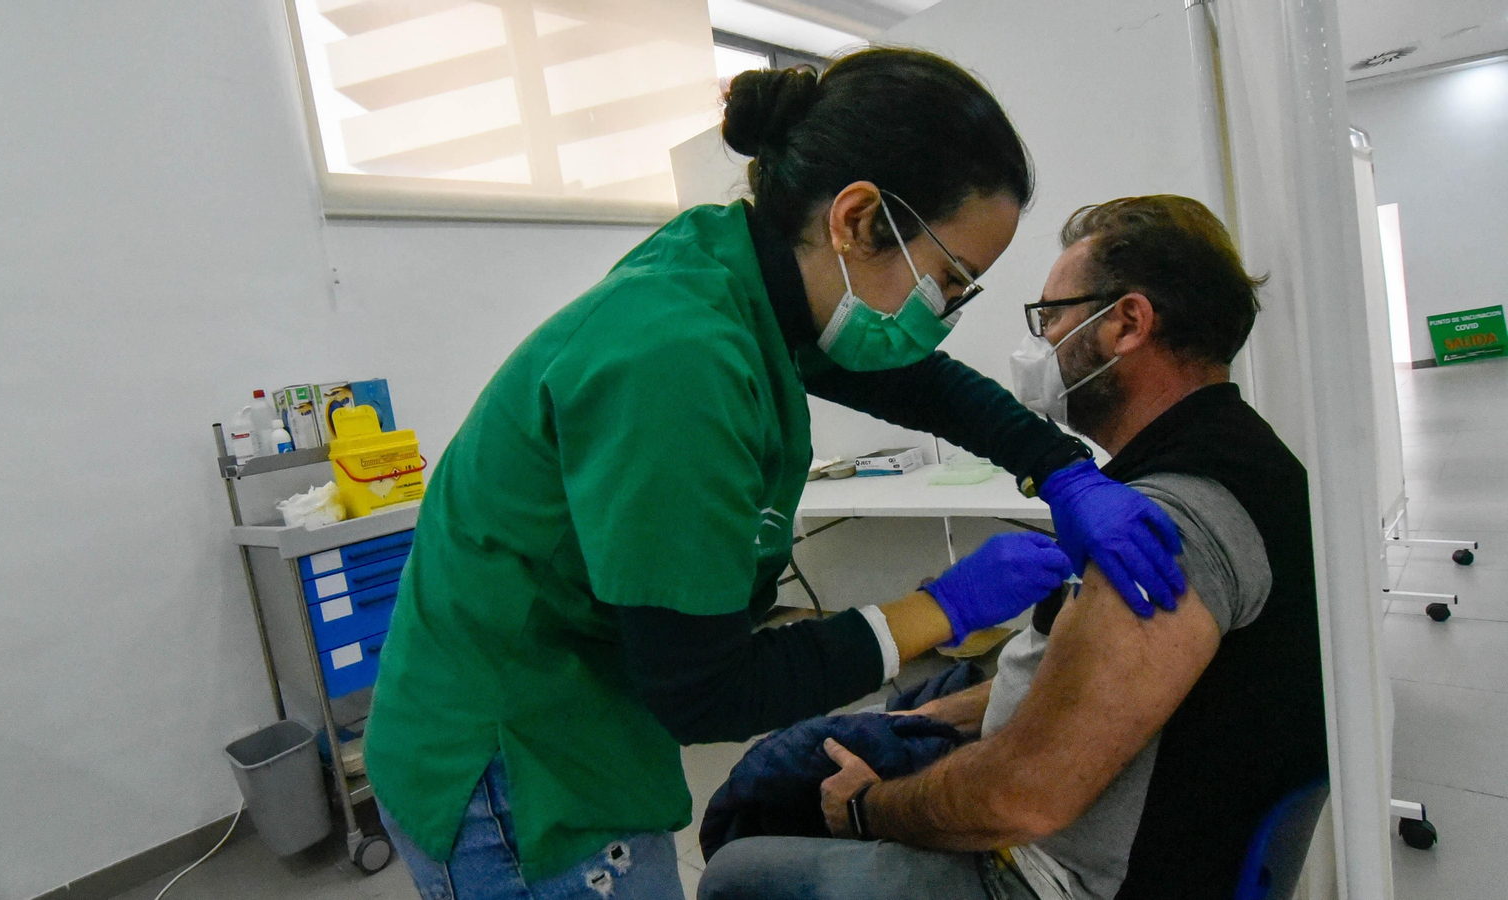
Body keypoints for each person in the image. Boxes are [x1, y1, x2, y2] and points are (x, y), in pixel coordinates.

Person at [364, 50, 1188, 900]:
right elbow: (704, 690)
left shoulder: (743, 272)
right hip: (506, 757)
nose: (943, 314)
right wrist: (939, 609)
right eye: (949, 280)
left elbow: (912, 380)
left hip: (573, 698)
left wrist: (1060, 470)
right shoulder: (678, 357)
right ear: (857, 218)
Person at [698, 195, 1329, 900]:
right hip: (1092, 805)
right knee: (826, 749)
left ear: (1127, 323)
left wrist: (867, 809)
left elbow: (1022, 797)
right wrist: (933, 717)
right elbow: (1085, 691)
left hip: (1044, 876)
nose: (1039, 342)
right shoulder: (1246, 460)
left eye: (1050, 316)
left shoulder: (1162, 530)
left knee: (736, 867)